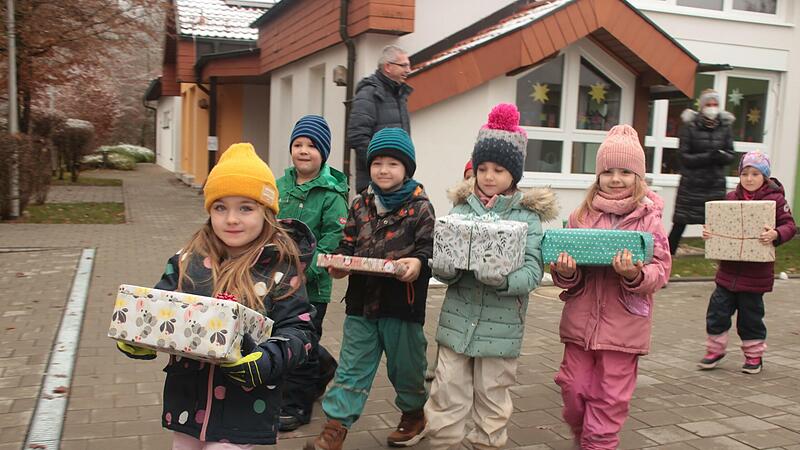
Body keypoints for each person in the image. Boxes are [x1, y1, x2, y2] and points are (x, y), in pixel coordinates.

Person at [116, 143, 316, 448]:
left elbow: (301, 332)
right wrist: (138, 336)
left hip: (245, 407)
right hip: (187, 404)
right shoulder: (186, 260)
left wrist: (266, 359)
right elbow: (158, 309)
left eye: (245, 208)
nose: (231, 218)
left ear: (267, 212)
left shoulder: (280, 269)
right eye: (220, 207)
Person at [425, 103, 558, 449]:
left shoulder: (527, 218)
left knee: (492, 403)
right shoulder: (459, 209)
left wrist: (502, 279)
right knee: (445, 393)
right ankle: (442, 443)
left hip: (501, 332)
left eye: (499, 169)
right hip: (456, 326)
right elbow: (444, 260)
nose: (488, 176)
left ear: (514, 173)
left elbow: (532, 272)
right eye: (482, 167)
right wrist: (444, 268)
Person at [304, 128, 435, 450]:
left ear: (407, 169)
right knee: (351, 368)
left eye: (393, 163)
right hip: (361, 305)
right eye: (377, 163)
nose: (384, 170)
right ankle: (336, 427)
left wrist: (416, 265)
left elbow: (429, 251)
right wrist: (338, 265)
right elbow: (347, 245)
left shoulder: (421, 207)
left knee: (407, 370)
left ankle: (413, 414)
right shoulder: (360, 203)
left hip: (403, 305)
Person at [550, 125, 672, 449]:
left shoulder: (649, 219)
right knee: (573, 391)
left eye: (625, 172)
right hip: (580, 326)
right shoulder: (580, 216)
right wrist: (565, 271)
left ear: (639, 177)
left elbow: (661, 269)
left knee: (609, 400)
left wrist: (635, 275)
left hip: (624, 330)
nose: (616, 178)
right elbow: (566, 274)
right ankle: (584, 435)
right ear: (597, 175)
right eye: (608, 171)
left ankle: (597, 442)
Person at [276, 115, 349, 430]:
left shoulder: (332, 197)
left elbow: (332, 245)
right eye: (297, 144)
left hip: (311, 287)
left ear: (324, 152)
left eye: (311, 146)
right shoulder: (278, 187)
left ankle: (297, 405)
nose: (303, 151)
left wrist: (305, 271)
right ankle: (324, 364)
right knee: (279, 336)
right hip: (275, 283)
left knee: (302, 345)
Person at [698, 151, 796, 374]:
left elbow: (789, 226)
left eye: (755, 174)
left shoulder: (776, 200)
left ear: (765, 177)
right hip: (727, 272)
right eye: (745, 173)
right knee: (717, 312)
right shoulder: (731, 198)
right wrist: (710, 233)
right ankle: (715, 349)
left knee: (750, 317)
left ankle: (754, 355)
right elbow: (719, 223)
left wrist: (776, 234)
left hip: (756, 274)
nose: (749, 178)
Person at [668, 88, 736, 255]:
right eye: (709, 104)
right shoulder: (689, 126)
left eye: (715, 104)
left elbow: (731, 155)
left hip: (715, 185)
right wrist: (708, 156)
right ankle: (664, 260)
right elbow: (683, 157)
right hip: (691, 186)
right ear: (702, 105)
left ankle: (724, 263)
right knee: (679, 224)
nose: (712, 107)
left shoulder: (725, 127)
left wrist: (720, 156)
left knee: (718, 228)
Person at [347, 45, 413, 192]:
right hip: (374, 185)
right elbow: (357, 136)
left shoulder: (398, 94)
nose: (408, 70)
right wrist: (381, 168)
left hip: (398, 182)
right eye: (404, 65)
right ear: (388, 67)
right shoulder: (369, 93)